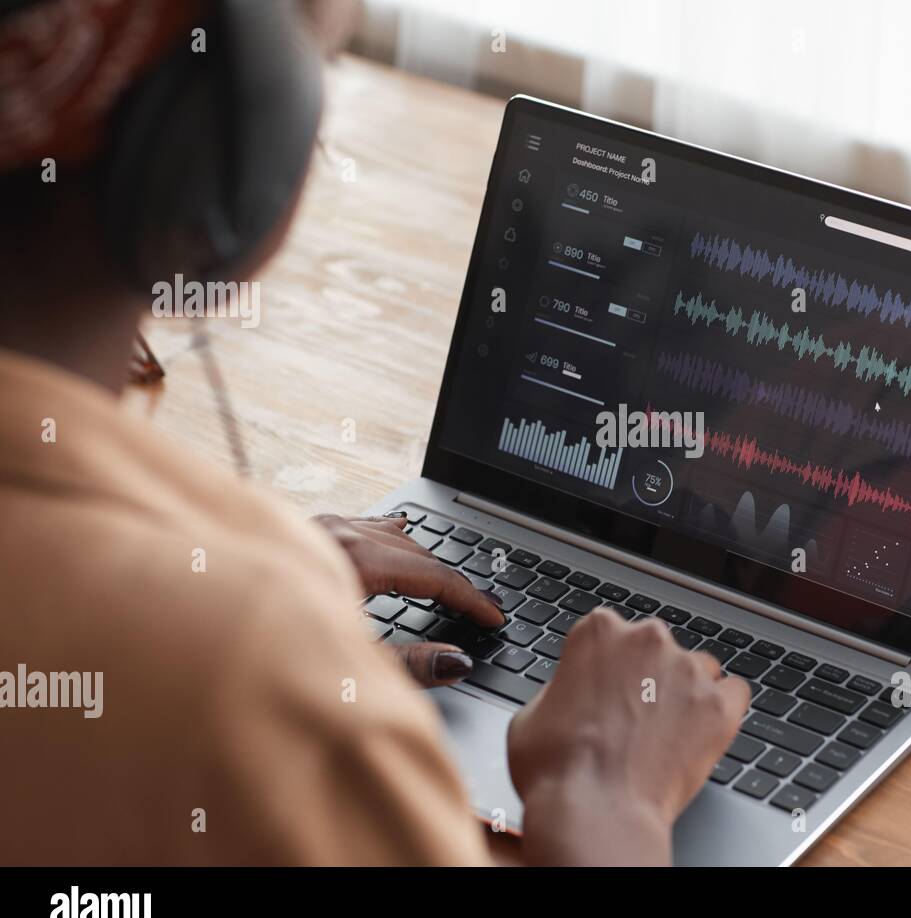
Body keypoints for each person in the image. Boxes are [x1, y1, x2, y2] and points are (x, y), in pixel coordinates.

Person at [0, 0, 749, 865]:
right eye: (323, 58)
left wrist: (250, 598)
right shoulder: (244, 672)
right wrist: (606, 799)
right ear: (220, 152)